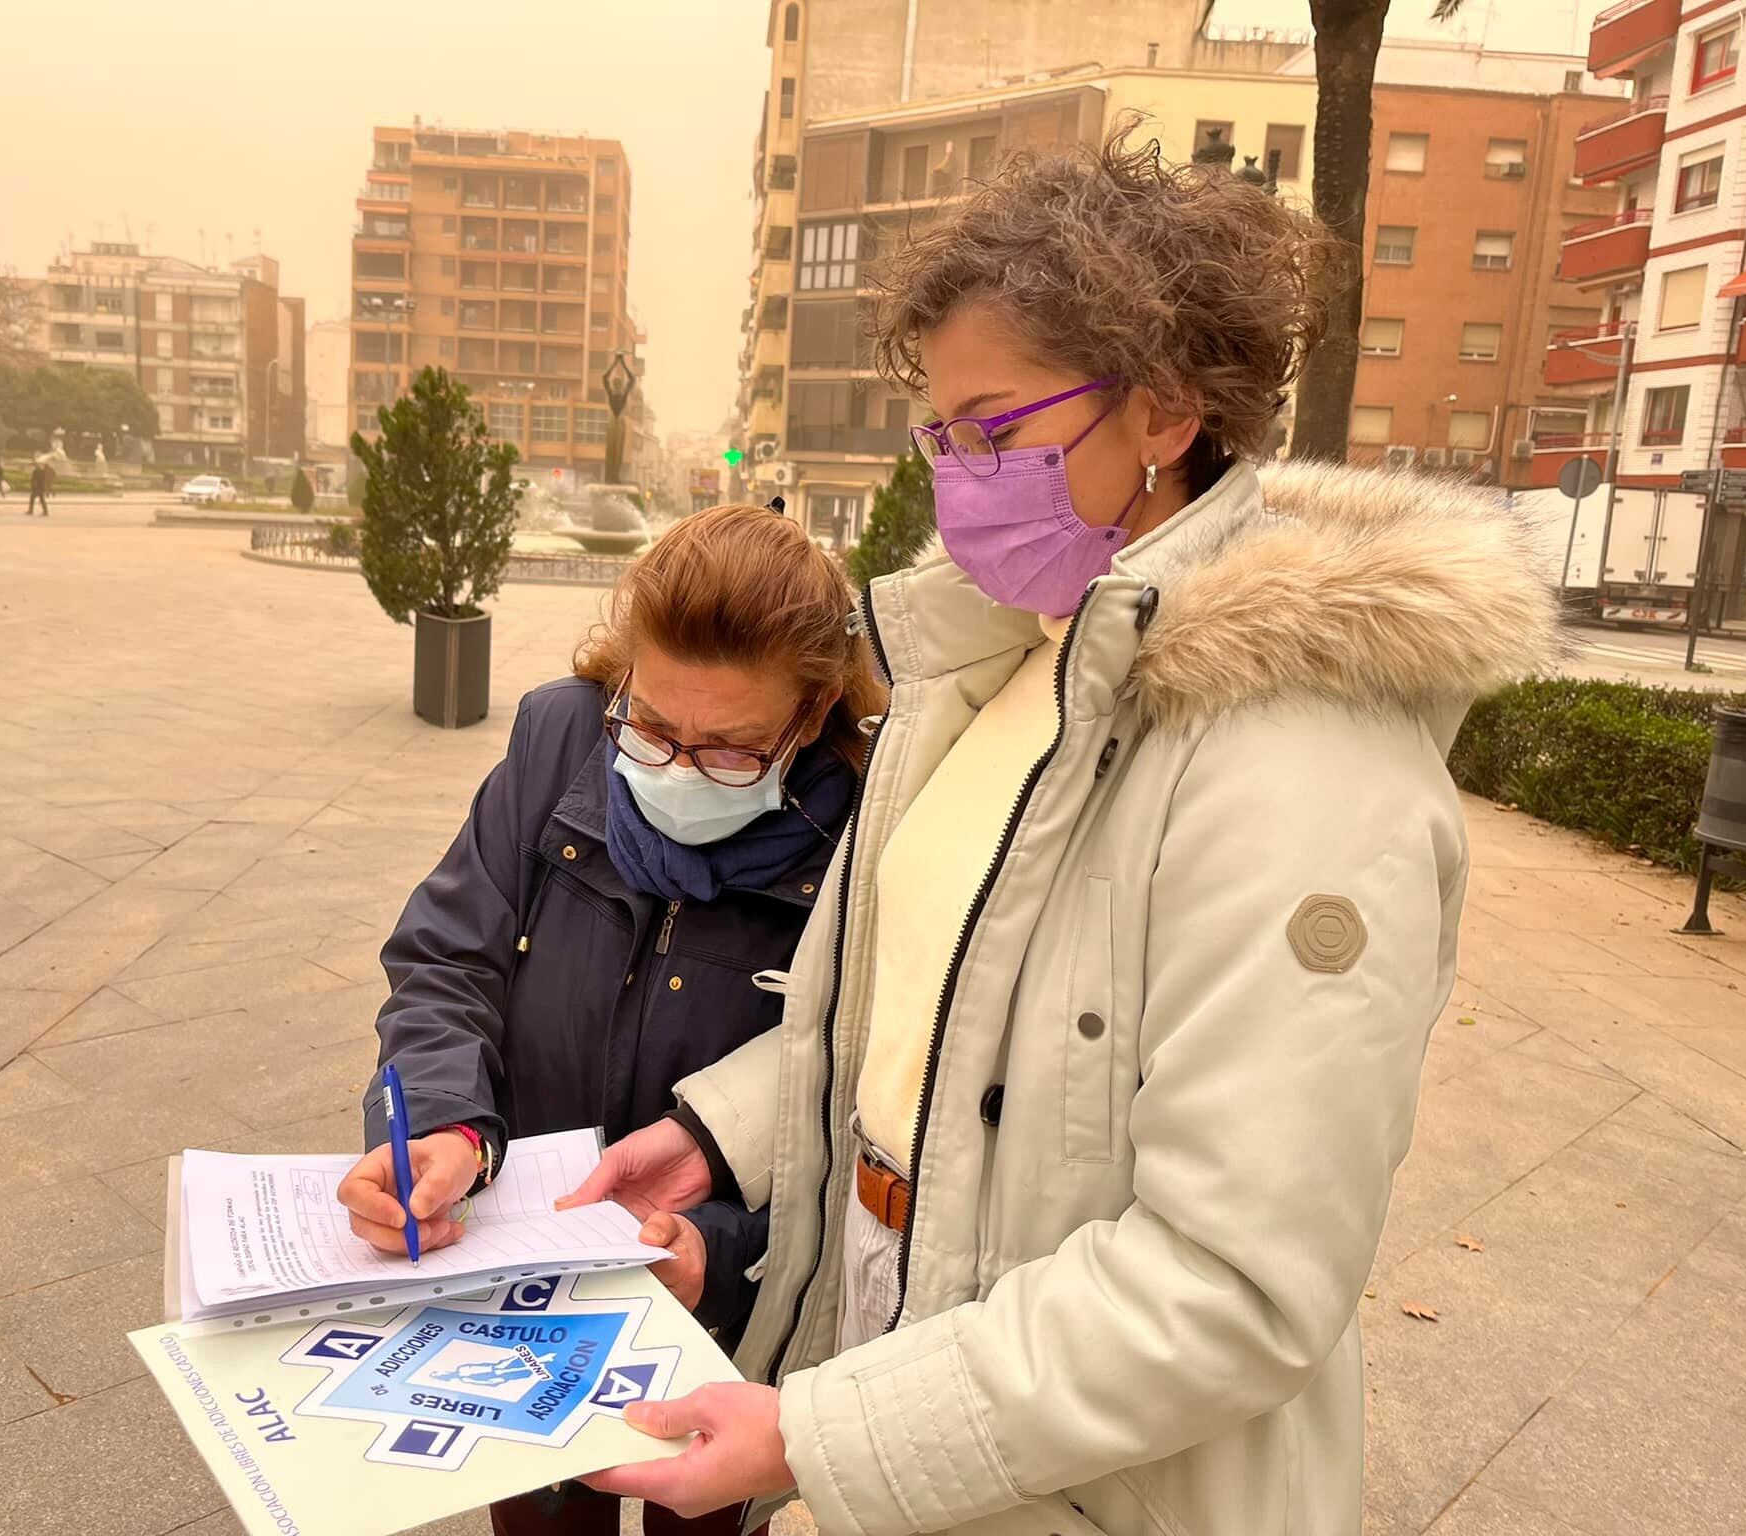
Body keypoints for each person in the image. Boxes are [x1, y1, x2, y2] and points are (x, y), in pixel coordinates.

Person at [569, 130, 1561, 1535]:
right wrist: (723, 1141)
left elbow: (1235, 1283)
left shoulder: (1304, 761)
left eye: (999, 429)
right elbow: (926, 1012)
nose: (959, 474)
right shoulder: (1007, 659)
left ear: (1164, 413)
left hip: (1095, 1484)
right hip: (915, 1360)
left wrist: (821, 1431)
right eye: (941, 433)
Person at [335, 504, 883, 1536]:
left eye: (728, 749)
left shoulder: (865, 823)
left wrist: (718, 1251)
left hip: (712, 1316)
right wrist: (446, 1125)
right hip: (520, 1275)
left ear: (810, 714)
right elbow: (446, 956)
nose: (677, 767)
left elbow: (860, 1096)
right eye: (652, 724)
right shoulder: (560, 735)